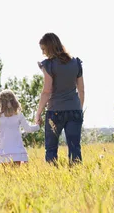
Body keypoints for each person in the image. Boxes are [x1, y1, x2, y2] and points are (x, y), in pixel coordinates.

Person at [36, 33, 85, 165]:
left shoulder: (48, 65)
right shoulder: (76, 63)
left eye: (44, 49)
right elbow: (81, 90)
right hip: (74, 110)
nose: (43, 53)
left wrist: (38, 112)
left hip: (55, 112)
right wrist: (78, 108)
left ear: (50, 48)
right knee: (75, 147)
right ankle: (77, 176)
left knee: (51, 149)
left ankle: (53, 178)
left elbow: (47, 91)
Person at [0, 89, 40, 165]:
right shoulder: (19, 115)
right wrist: (38, 126)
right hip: (17, 152)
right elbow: (28, 129)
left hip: (4, 152)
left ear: (1, 103)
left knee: (6, 175)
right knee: (16, 174)